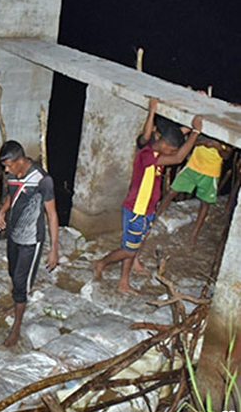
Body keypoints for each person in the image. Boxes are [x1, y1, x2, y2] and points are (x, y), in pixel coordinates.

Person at [94, 98, 202, 295]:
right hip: (136, 209)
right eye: (171, 149)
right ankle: (101, 263)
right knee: (129, 249)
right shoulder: (147, 156)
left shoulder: (157, 149)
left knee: (133, 244)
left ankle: (124, 282)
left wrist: (187, 129)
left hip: (147, 208)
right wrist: (195, 133)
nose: (173, 153)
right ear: (162, 145)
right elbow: (178, 157)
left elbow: (173, 140)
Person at [0, 140, 59, 347]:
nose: (6, 169)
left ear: (20, 160)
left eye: (8, 165)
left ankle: (16, 329)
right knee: (13, 273)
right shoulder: (13, 174)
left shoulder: (43, 180)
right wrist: (2, 211)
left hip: (31, 240)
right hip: (14, 234)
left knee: (21, 283)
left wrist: (54, 249)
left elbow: (52, 214)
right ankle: (17, 304)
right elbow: (12, 196)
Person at [155, 131, 230, 245]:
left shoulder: (227, 134)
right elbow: (189, 142)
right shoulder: (205, 128)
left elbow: (227, 155)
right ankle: (155, 218)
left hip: (211, 173)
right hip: (192, 167)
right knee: (172, 191)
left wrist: (218, 147)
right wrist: (203, 142)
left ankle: (194, 234)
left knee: (205, 203)